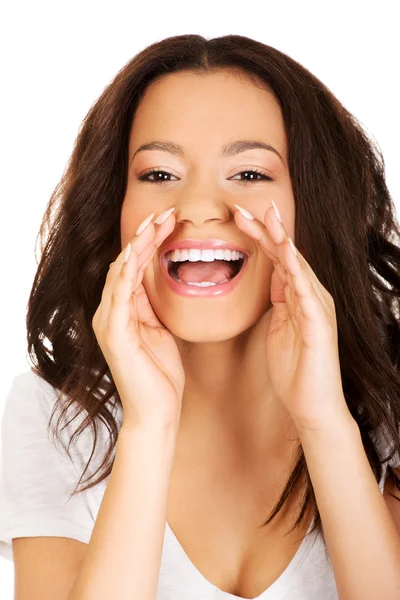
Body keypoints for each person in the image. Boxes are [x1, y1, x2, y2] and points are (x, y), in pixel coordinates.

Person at [1, 33, 400, 600]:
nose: (197, 208)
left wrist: (326, 422)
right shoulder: (52, 421)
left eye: (250, 174)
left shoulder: (389, 407)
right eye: (159, 175)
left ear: (314, 204)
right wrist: (148, 426)